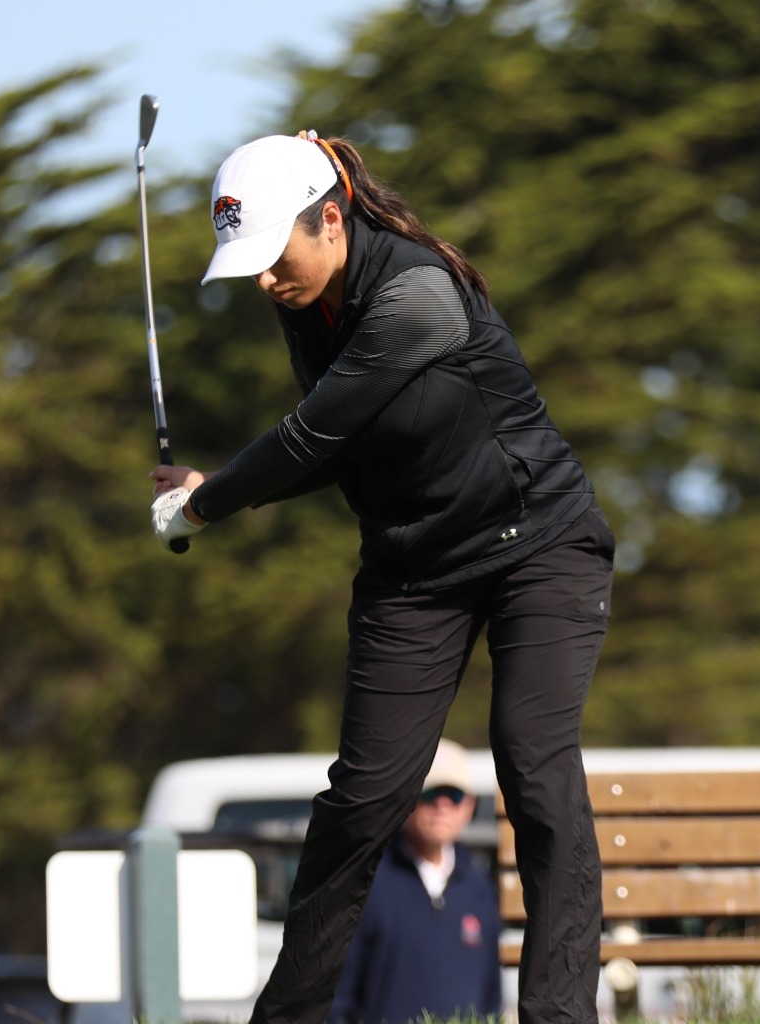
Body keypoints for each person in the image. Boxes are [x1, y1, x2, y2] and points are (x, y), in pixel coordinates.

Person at [149, 130, 612, 1024]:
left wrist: (209, 506)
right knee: (363, 801)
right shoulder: (305, 298)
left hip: (539, 545)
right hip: (415, 569)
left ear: (331, 219)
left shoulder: (419, 295)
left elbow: (313, 433)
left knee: (533, 765)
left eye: (271, 255)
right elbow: (341, 440)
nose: (261, 280)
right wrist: (215, 489)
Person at [328, 739, 502, 1024]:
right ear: (406, 799)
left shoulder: (479, 887)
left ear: (468, 806)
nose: (442, 806)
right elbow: (339, 998)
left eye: (453, 795)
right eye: (430, 794)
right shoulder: (367, 882)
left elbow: (491, 996)